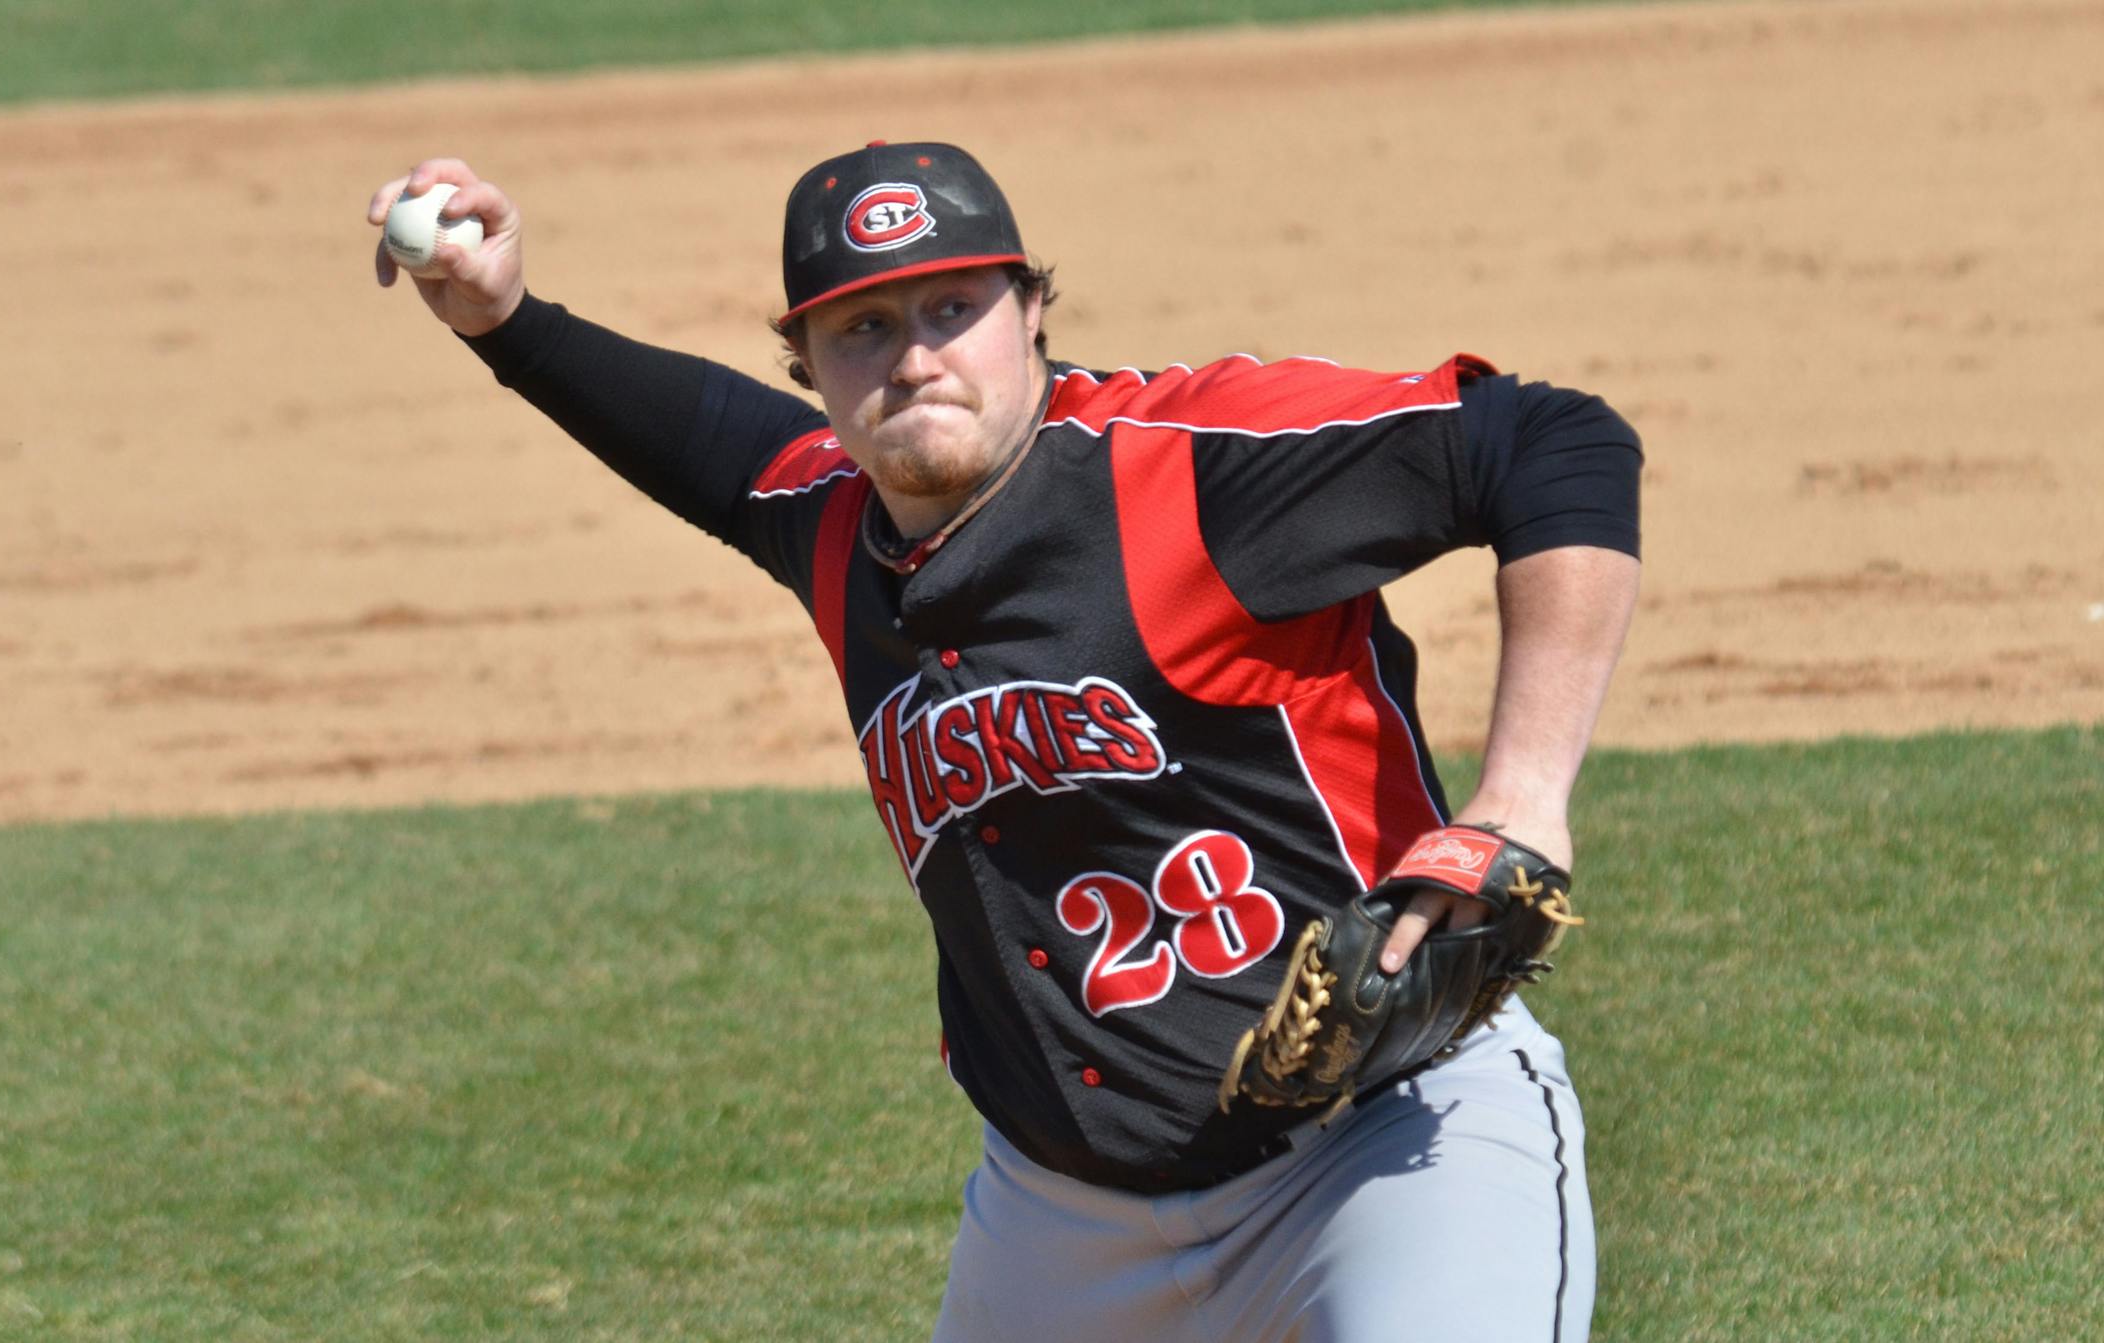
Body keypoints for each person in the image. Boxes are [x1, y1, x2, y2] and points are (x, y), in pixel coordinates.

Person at [368, 141, 1641, 1342]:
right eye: (862, 327)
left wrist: (1520, 798)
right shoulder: (826, 516)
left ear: (1031, 309)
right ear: (806, 364)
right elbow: (695, 433)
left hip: (1385, 1150)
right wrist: (507, 320)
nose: (915, 359)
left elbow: (1552, 440)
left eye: (950, 308)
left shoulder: (1186, 471)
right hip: (1062, 1216)